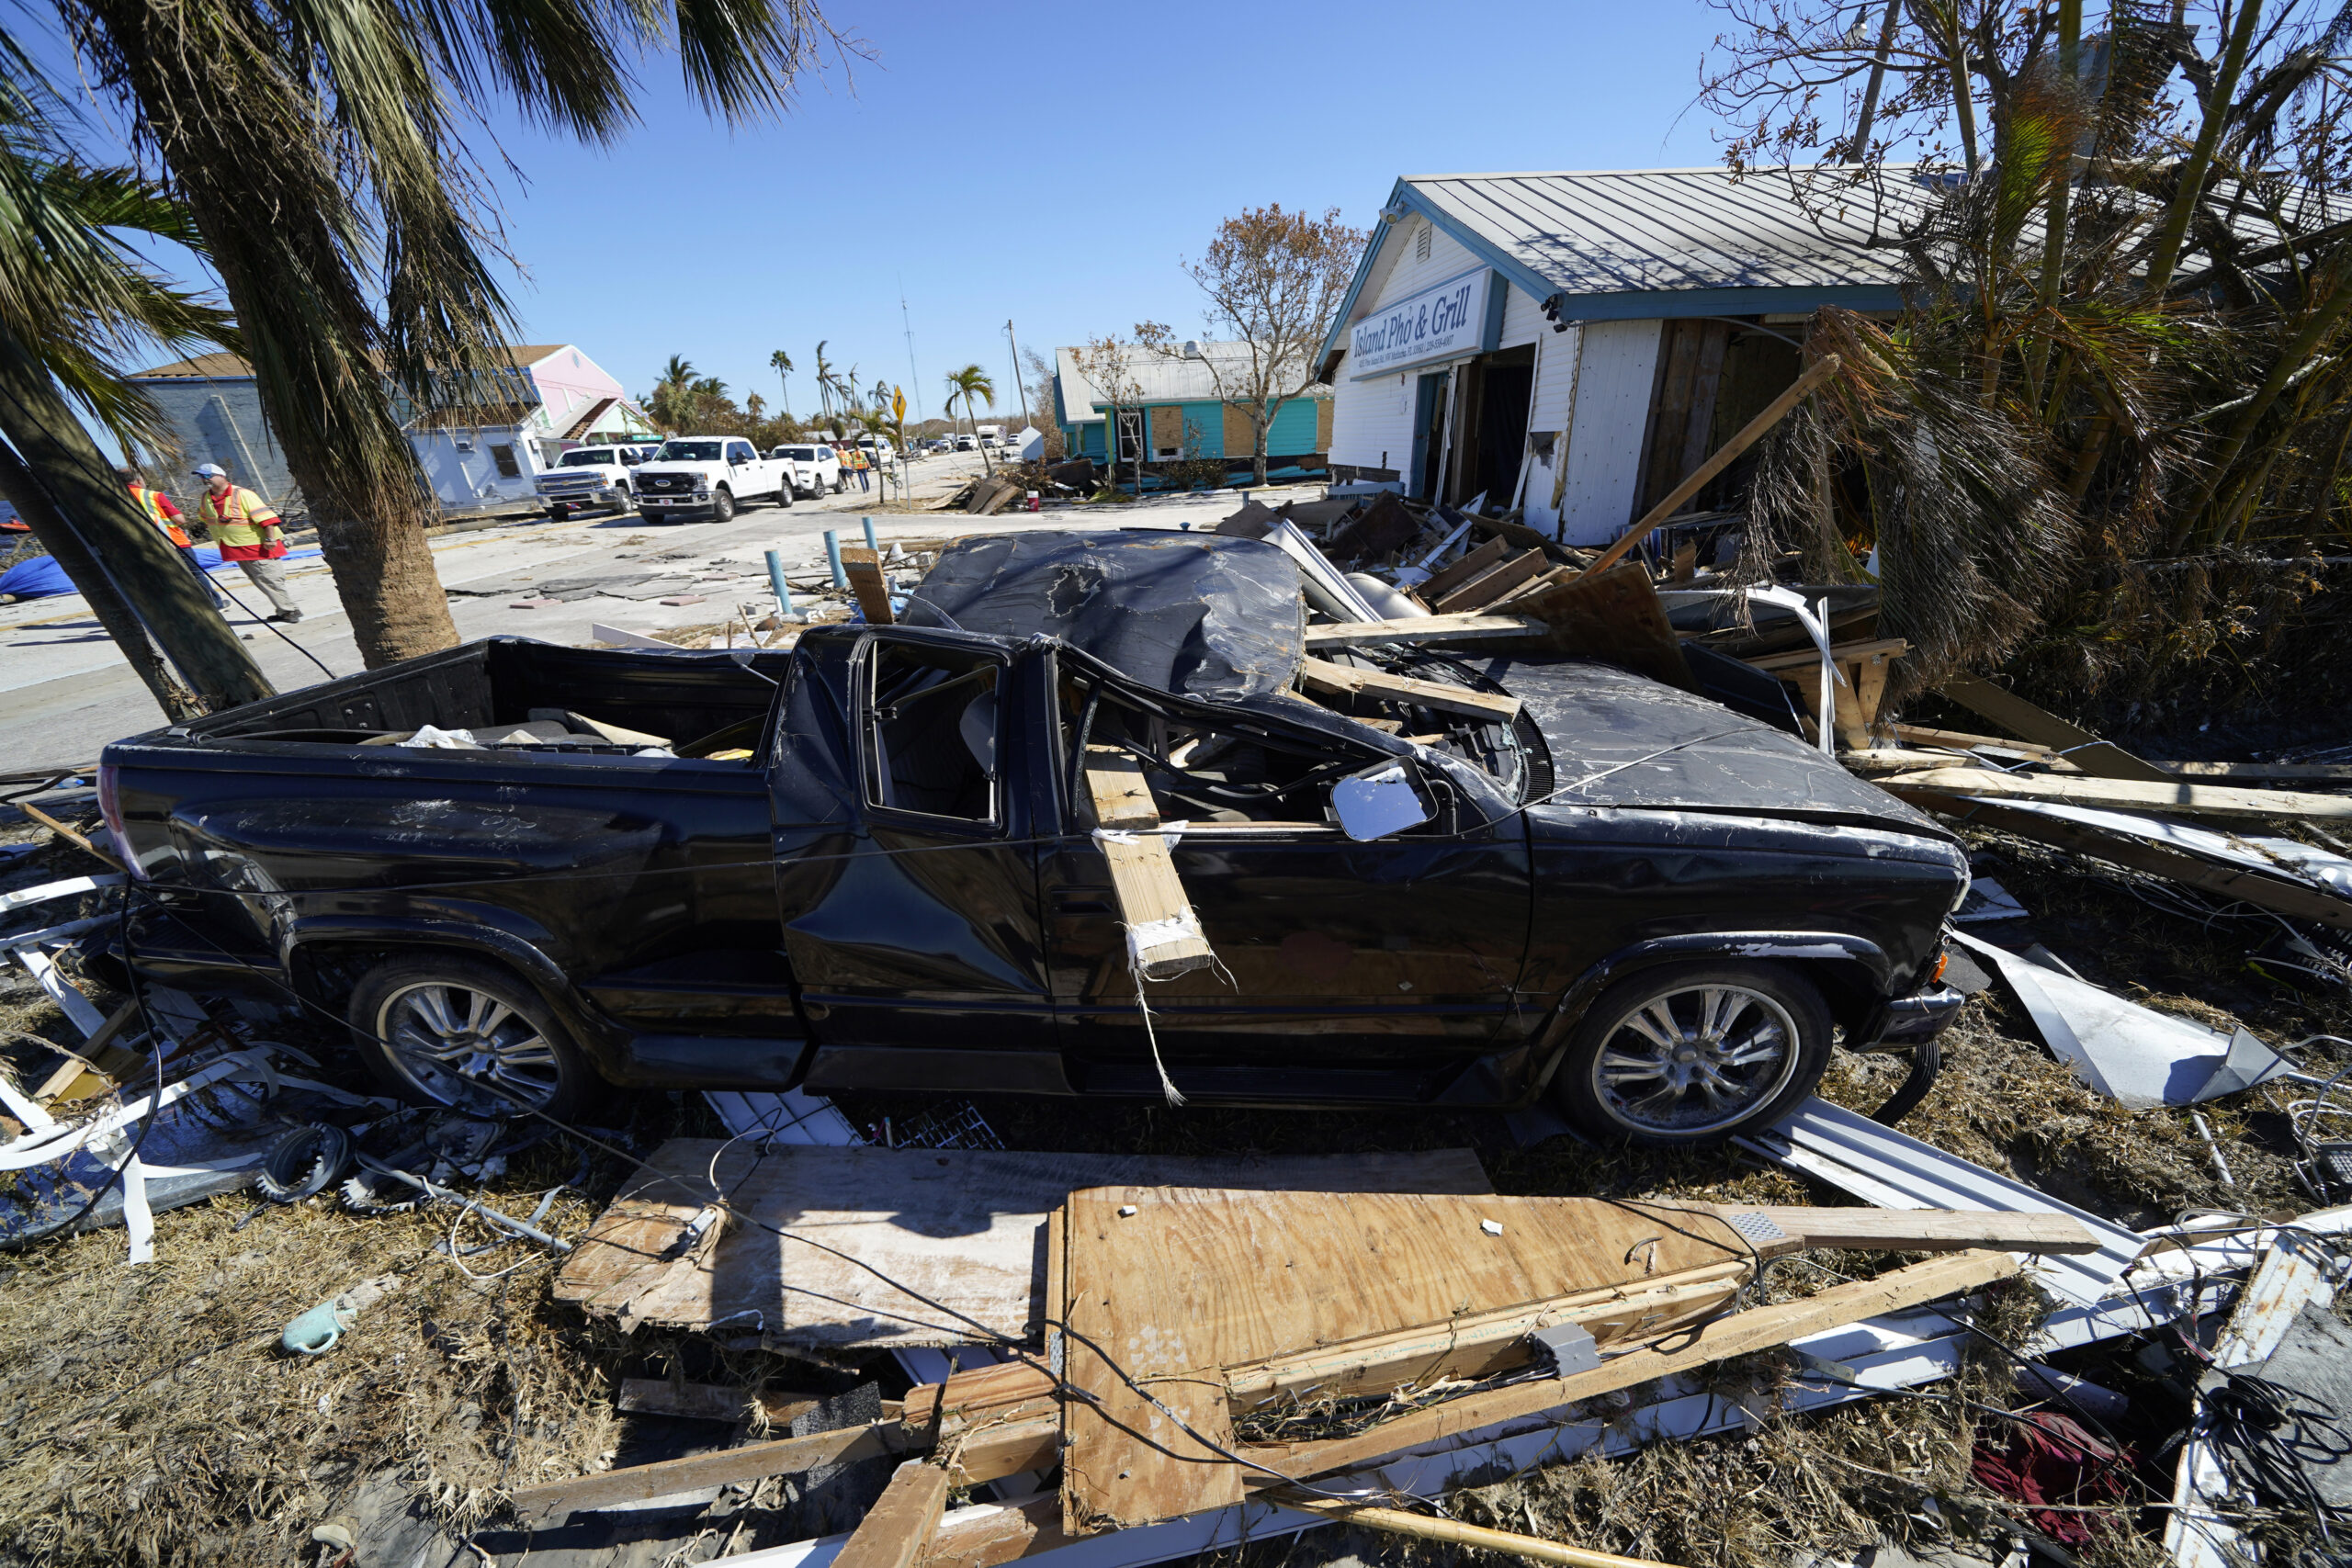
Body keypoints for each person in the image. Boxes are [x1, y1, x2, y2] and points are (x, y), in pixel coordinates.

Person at [190, 464, 302, 623]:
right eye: (201, 476)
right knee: (259, 580)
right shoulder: (206, 498)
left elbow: (266, 519)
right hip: (234, 547)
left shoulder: (242, 494)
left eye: (208, 476)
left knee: (271, 579)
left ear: (221, 476)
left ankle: (289, 610)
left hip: (258, 546)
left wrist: (270, 539)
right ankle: (284, 610)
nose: (204, 479)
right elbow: (205, 517)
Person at [118, 464, 224, 608]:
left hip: (144, 545)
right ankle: (214, 604)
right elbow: (180, 519)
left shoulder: (117, 498)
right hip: (175, 541)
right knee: (195, 574)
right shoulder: (153, 495)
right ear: (138, 480)